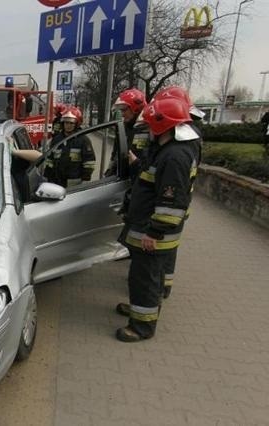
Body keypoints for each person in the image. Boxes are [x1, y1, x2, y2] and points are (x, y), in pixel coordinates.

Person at [115, 97, 200, 342]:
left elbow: (171, 202)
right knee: (143, 277)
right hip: (149, 226)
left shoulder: (174, 156)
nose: (148, 129)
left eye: (151, 124)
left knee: (147, 278)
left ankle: (142, 327)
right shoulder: (165, 148)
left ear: (163, 125)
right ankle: (139, 309)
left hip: (154, 232)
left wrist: (154, 233)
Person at [151, 86, 204, 298]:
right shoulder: (188, 132)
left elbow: (174, 178)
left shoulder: (178, 148)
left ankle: (159, 289)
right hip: (175, 205)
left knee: (163, 250)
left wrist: (156, 228)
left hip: (171, 206)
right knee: (167, 249)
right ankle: (162, 286)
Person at [13, 106, 95, 188]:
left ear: (76, 123)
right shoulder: (57, 139)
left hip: (74, 182)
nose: (68, 125)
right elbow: (50, 159)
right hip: (57, 181)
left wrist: (86, 180)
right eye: (66, 123)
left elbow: (89, 162)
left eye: (71, 123)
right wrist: (47, 177)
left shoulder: (83, 140)